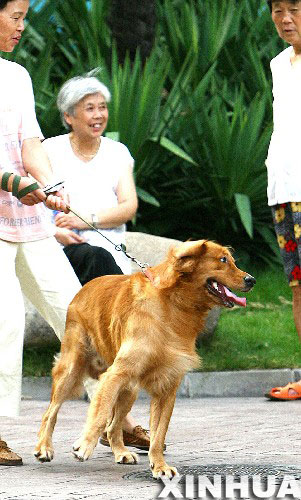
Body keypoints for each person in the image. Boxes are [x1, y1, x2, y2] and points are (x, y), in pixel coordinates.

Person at [42, 75, 152, 450]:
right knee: (109, 324)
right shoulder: (49, 151)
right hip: (63, 253)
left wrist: (86, 217)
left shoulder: (117, 152)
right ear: (68, 115)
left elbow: (129, 206)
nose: (98, 115)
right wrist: (56, 232)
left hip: (107, 255)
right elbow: (32, 204)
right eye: (89, 108)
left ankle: (116, 419)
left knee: (103, 263)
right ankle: (121, 421)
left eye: (102, 107)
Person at [0, 0, 84, 466]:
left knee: (77, 310)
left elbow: (30, 145)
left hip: (28, 219)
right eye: (15, 15)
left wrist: (51, 186)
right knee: (4, 321)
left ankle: (113, 414)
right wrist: (16, 183)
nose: (22, 25)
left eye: (24, 16)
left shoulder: (16, 76)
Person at [265, 0, 301, 401]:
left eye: (294, 7)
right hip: (285, 191)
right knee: (297, 286)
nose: (285, 18)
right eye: (277, 10)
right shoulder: (278, 64)